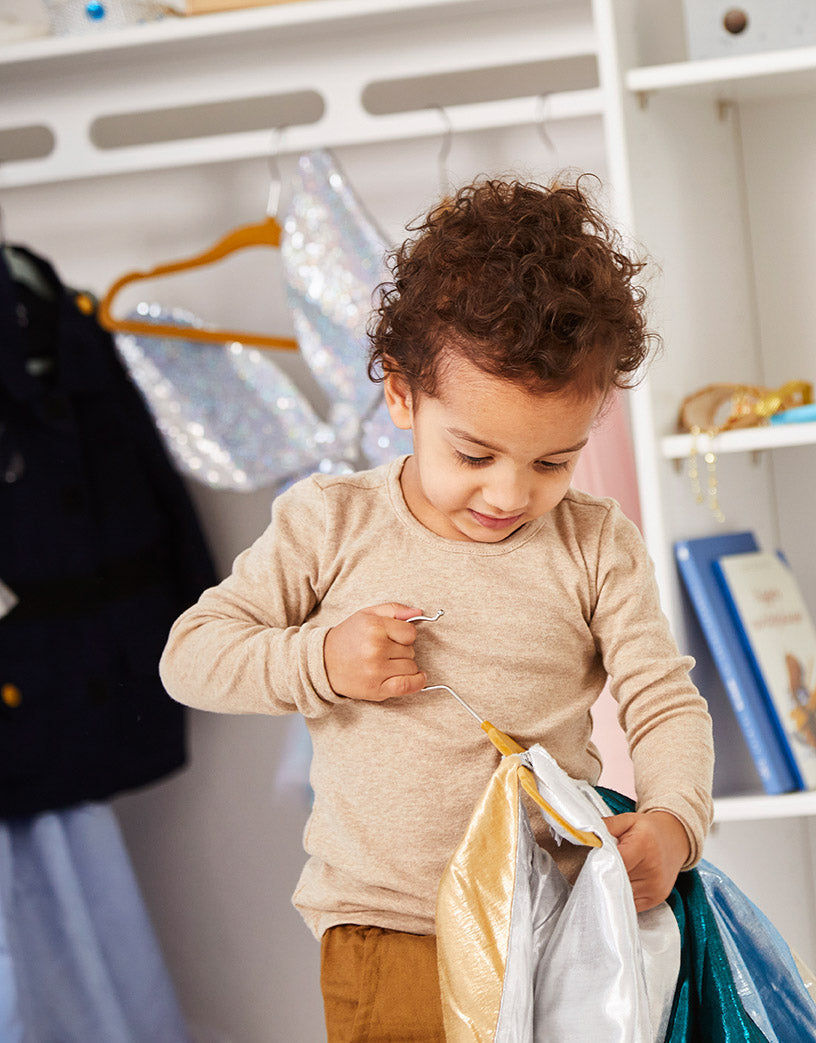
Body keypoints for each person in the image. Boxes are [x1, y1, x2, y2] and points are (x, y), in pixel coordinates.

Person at [159, 176, 714, 1041]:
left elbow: (664, 701)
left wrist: (677, 822)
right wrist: (323, 661)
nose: (509, 491)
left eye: (553, 462)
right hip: (390, 927)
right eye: (476, 452)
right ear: (403, 397)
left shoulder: (596, 543)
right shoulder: (329, 522)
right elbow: (190, 655)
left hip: (559, 923)